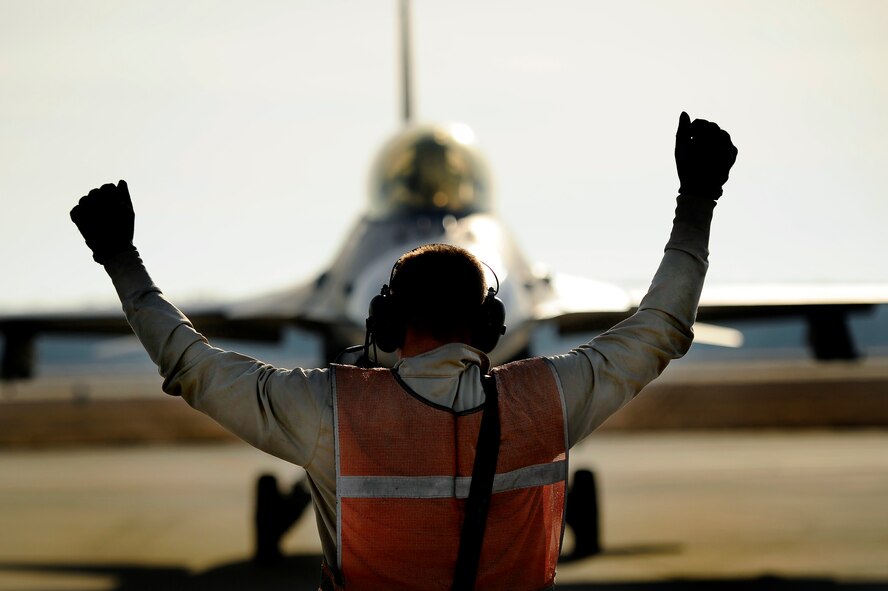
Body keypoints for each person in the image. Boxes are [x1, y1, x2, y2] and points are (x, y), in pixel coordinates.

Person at [70, 112, 737, 590]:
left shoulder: (329, 408)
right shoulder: (547, 401)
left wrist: (121, 259)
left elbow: (190, 363)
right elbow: (663, 326)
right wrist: (697, 201)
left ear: (384, 320)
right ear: (491, 324)